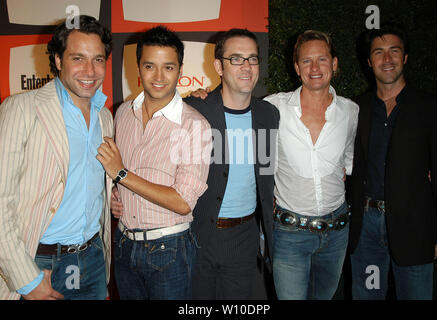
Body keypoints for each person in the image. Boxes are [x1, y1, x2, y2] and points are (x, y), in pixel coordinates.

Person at [0, 15, 113, 300]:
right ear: (58, 61)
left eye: (98, 59)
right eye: (78, 58)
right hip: (38, 264)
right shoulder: (21, 109)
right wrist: (26, 280)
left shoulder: (105, 117)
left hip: (92, 260)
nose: (90, 70)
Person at [96, 26, 212, 300]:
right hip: (124, 244)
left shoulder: (195, 125)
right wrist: (118, 193)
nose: (159, 77)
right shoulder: (123, 113)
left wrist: (122, 175)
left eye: (168, 67)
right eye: (150, 66)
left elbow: (183, 202)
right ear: (138, 67)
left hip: (169, 250)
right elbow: (122, 177)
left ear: (180, 70)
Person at [349, 22, 437, 300]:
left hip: (415, 226)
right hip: (366, 227)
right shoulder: (356, 109)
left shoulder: (432, 107)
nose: (387, 59)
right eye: (379, 52)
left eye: (394, 51)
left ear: (405, 57)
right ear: (369, 62)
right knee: (368, 295)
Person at [181, 28, 279, 299]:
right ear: (218, 66)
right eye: (236, 59)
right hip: (198, 235)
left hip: (244, 238)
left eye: (252, 59)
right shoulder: (193, 109)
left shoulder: (268, 114)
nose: (246, 67)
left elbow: (267, 171)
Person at [263, 30, 359, 300]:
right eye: (306, 61)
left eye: (322, 59)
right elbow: (232, 107)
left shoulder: (351, 112)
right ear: (296, 67)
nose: (315, 68)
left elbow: (348, 163)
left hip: (337, 235)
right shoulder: (273, 107)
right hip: (289, 236)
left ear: (335, 63)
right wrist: (204, 95)